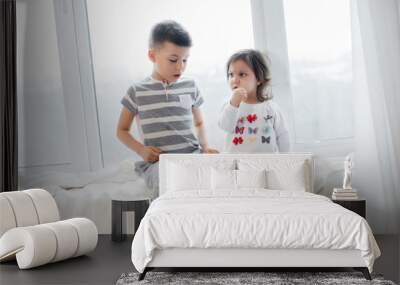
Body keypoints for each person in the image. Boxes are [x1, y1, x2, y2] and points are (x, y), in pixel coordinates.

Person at [117, 20, 218, 196]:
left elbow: (199, 122)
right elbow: (122, 130)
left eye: (185, 60)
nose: (180, 67)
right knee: (167, 183)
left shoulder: (190, 85)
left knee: (215, 174)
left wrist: (205, 147)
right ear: (152, 56)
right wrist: (142, 150)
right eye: (173, 60)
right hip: (160, 162)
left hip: (192, 154)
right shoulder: (137, 91)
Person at [218, 49, 290, 153]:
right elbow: (226, 126)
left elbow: (283, 135)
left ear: (259, 79)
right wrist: (233, 105)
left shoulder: (270, 108)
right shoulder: (229, 105)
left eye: (242, 74)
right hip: (237, 165)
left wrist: (284, 160)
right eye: (231, 75)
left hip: (266, 164)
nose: (234, 80)